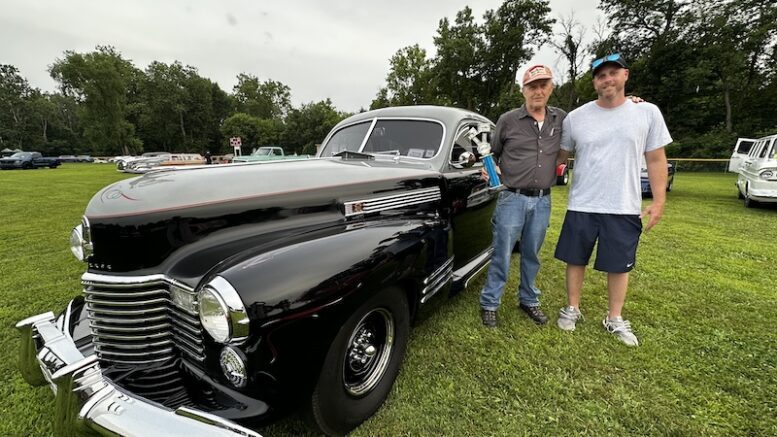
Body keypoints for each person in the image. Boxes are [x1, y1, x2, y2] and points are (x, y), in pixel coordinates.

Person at [553, 53, 672, 346]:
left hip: (623, 203)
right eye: (600, 75)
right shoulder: (576, 118)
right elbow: (559, 156)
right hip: (582, 201)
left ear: (625, 75)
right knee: (575, 258)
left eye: (612, 73)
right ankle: (572, 308)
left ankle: (614, 317)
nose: (607, 79)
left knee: (619, 265)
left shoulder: (647, 113)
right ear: (594, 82)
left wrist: (658, 202)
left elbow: (657, 159)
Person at [479, 65, 566, 328]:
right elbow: (490, 153)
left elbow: (596, 116)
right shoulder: (508, 120)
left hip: (542, 200)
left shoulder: (561, 118)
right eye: (532, 86)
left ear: (551, 88)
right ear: (523, 90)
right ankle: (490, 303)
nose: (537, 91)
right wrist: (489, 168)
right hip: (511, 198)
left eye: (543, 85)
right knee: (502, 253)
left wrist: (629, 102)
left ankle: (528, 299)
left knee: (532, 253)